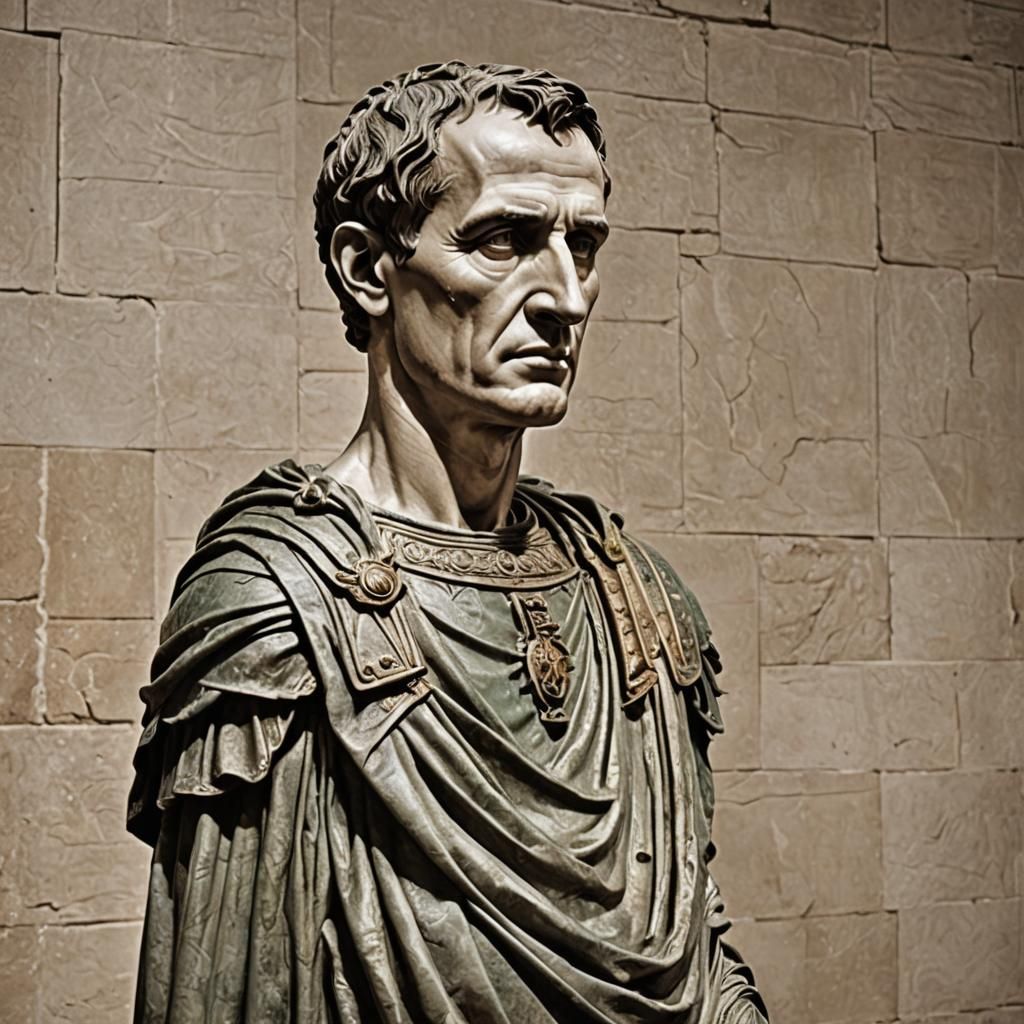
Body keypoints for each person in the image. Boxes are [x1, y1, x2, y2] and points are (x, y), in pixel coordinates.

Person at [128, 61, 769, 1023]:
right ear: (366, 268)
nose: (567, 298)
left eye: (583, 246)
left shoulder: (634, 598)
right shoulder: (279, 611)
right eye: (504, 240)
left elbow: (692, 941)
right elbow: (223, 994)